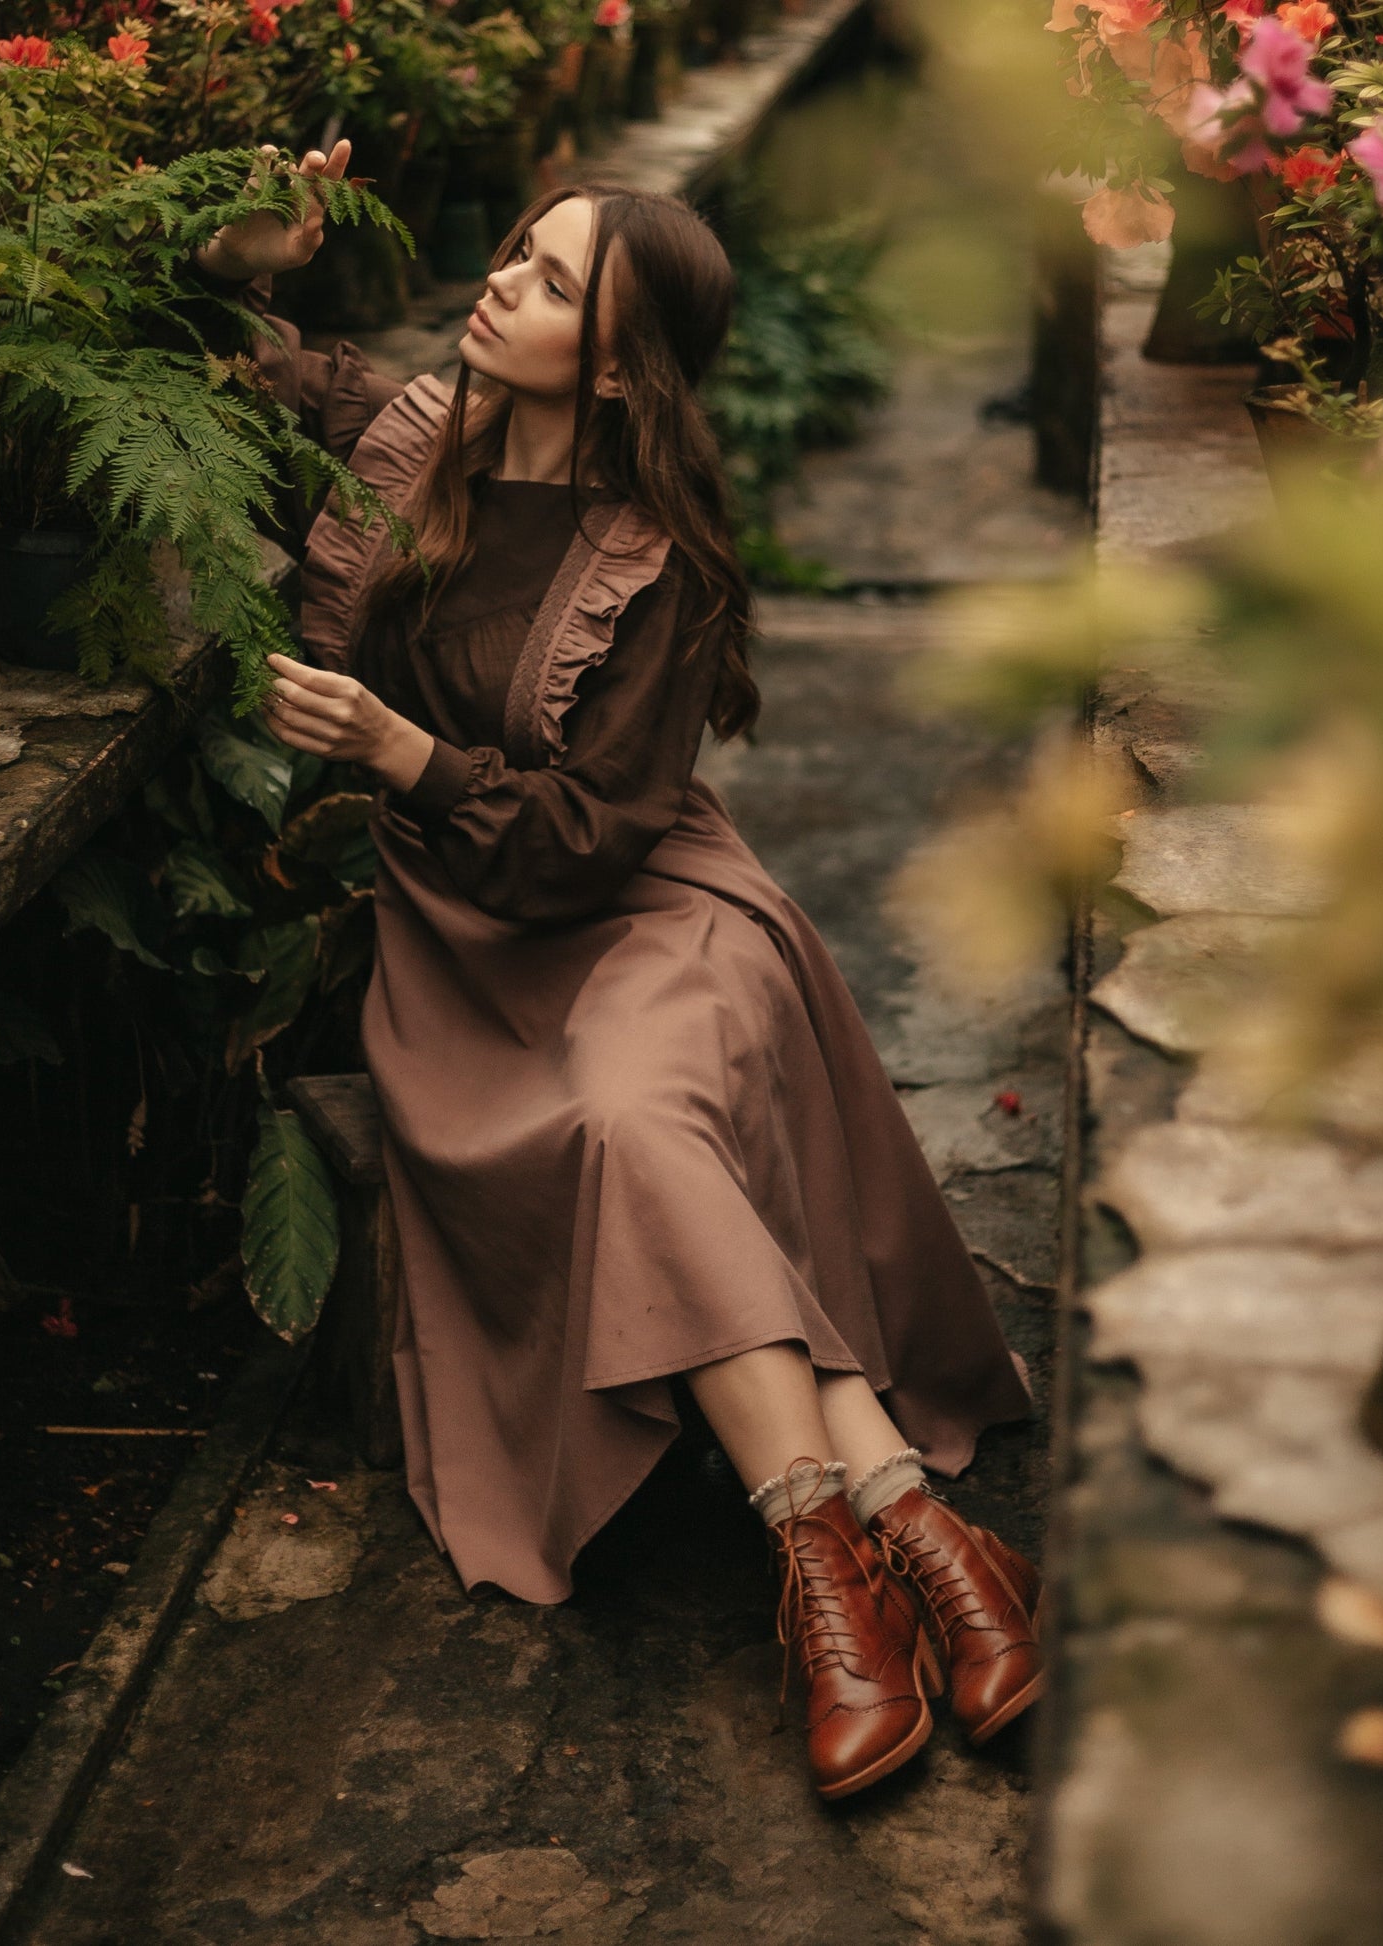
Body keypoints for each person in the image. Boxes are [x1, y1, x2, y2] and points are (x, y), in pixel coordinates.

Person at [195, 146, 1044, 1802]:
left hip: (649, 915)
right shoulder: (401, 436)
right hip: (460, 950)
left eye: (552, 277)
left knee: (634, 1121)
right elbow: (201, 354)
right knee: (630, 1137)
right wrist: (250, 250)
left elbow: (591, 836)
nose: (502, 279)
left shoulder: (649, 549)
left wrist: (400, 749)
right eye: (513, 249)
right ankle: (917, 1533)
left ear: (616, 360)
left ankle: (818, 1581)